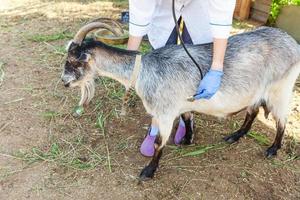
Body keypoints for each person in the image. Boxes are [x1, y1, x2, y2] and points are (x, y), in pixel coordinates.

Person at [127, 0, 236, 157]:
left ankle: (187, 116)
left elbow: (222, 16)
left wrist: (216, 67)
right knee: (160, 63)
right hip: (162, 7)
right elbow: (139, 13)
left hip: (201, 7)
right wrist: (129, 60)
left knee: (192, 63)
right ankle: (155, 126)